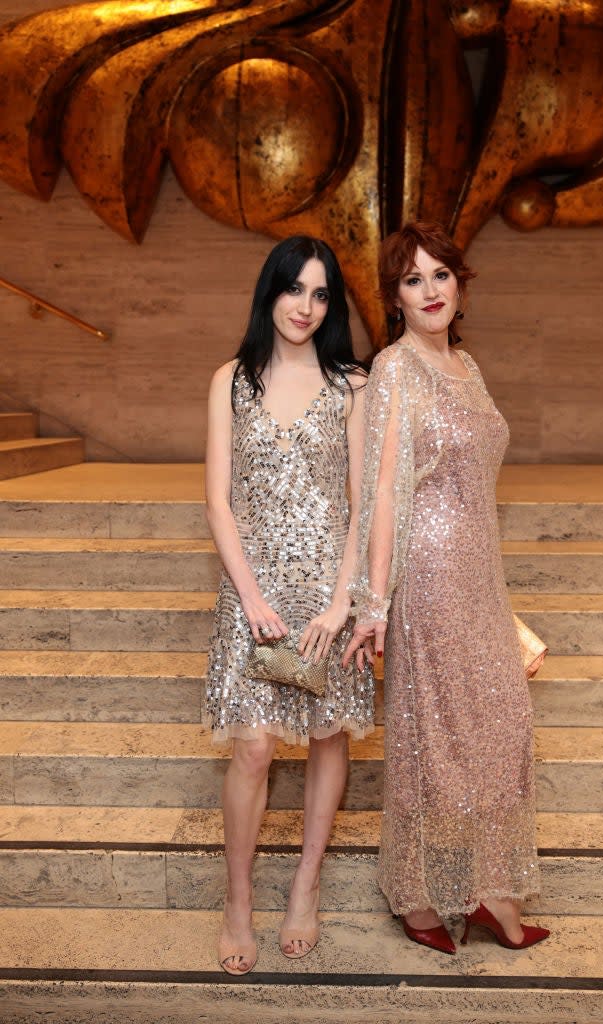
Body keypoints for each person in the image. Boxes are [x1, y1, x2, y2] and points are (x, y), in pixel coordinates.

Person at [343, 221, 549, 954]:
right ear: (394, 297)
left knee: (501, 730)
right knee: (437, 739)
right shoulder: (396, 369)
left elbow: (478, 488)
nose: (429, 290)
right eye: (411, 279)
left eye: (440, 275)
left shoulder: (468, 365)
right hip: (425, 575)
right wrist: (374, 603)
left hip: (478, 570)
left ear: (459, 285)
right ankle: (421, 894)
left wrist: (505, 604)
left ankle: (492, 894)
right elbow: (383, 493)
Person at [204, 235, 372, 975]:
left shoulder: (352, 387)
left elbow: (364, 507)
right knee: (255, 746)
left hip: (327, 593)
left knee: (329, 734)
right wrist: (252, 599)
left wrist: (341, 604)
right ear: (269, 292)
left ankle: (305, 886)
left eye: (321, 293)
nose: (305, 307)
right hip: (255, 588)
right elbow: (217, 503)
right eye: (293, 289)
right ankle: (238, 900)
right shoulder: (231, 381)